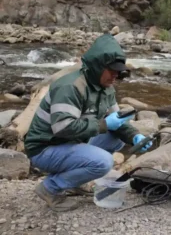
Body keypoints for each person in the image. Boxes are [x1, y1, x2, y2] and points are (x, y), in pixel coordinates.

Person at [24, 33, 153, 212]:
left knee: (117, 138)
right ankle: (50, 188)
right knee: (103, 162)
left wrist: (136, 136)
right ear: (97, 67)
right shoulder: (71, 87)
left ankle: (74, 181)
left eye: (119, 70)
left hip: (70, 143)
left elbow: (118, 121)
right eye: (112, 70)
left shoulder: (105, 87)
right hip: (45, 148)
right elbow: (63, 128)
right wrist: (104, 125)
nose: (117, 74)